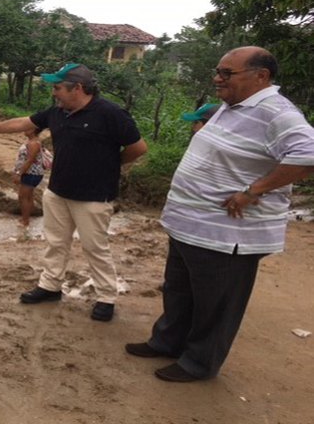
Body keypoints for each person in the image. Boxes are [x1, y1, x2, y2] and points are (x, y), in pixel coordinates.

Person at [125, 46, 314, 382]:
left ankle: (199, 363)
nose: (217, 78)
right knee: (179, 290)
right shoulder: (234, 105)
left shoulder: (277, 112)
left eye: (227, 73)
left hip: (226, 234)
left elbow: (307, 156)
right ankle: (168, 341)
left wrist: (253, 191)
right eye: (218, 71)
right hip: (190, 225)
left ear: (261, 76)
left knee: (216, 303)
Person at [0, 63, 148, 321]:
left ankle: (106, 297)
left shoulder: (110, 114)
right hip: (58, 191)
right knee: (55, 242)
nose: (54, 92)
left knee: (95, 247)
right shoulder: (58, 112)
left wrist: (110, 164)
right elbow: (23, 122)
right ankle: (50, 286)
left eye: (58, 87)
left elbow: (138, 148)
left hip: (94, 196)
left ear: (78, 88)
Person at [13, 127, 48, 229]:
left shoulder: (34, 143)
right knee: (28, 197)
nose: (25, 129)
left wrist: (19, 173)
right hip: (31, 173)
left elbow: (30, 160)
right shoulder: (33, 142)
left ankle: (25, 221)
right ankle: (26, 218)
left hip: (31, 173)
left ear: (33, 130)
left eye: (27, 128)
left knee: (23, 197)